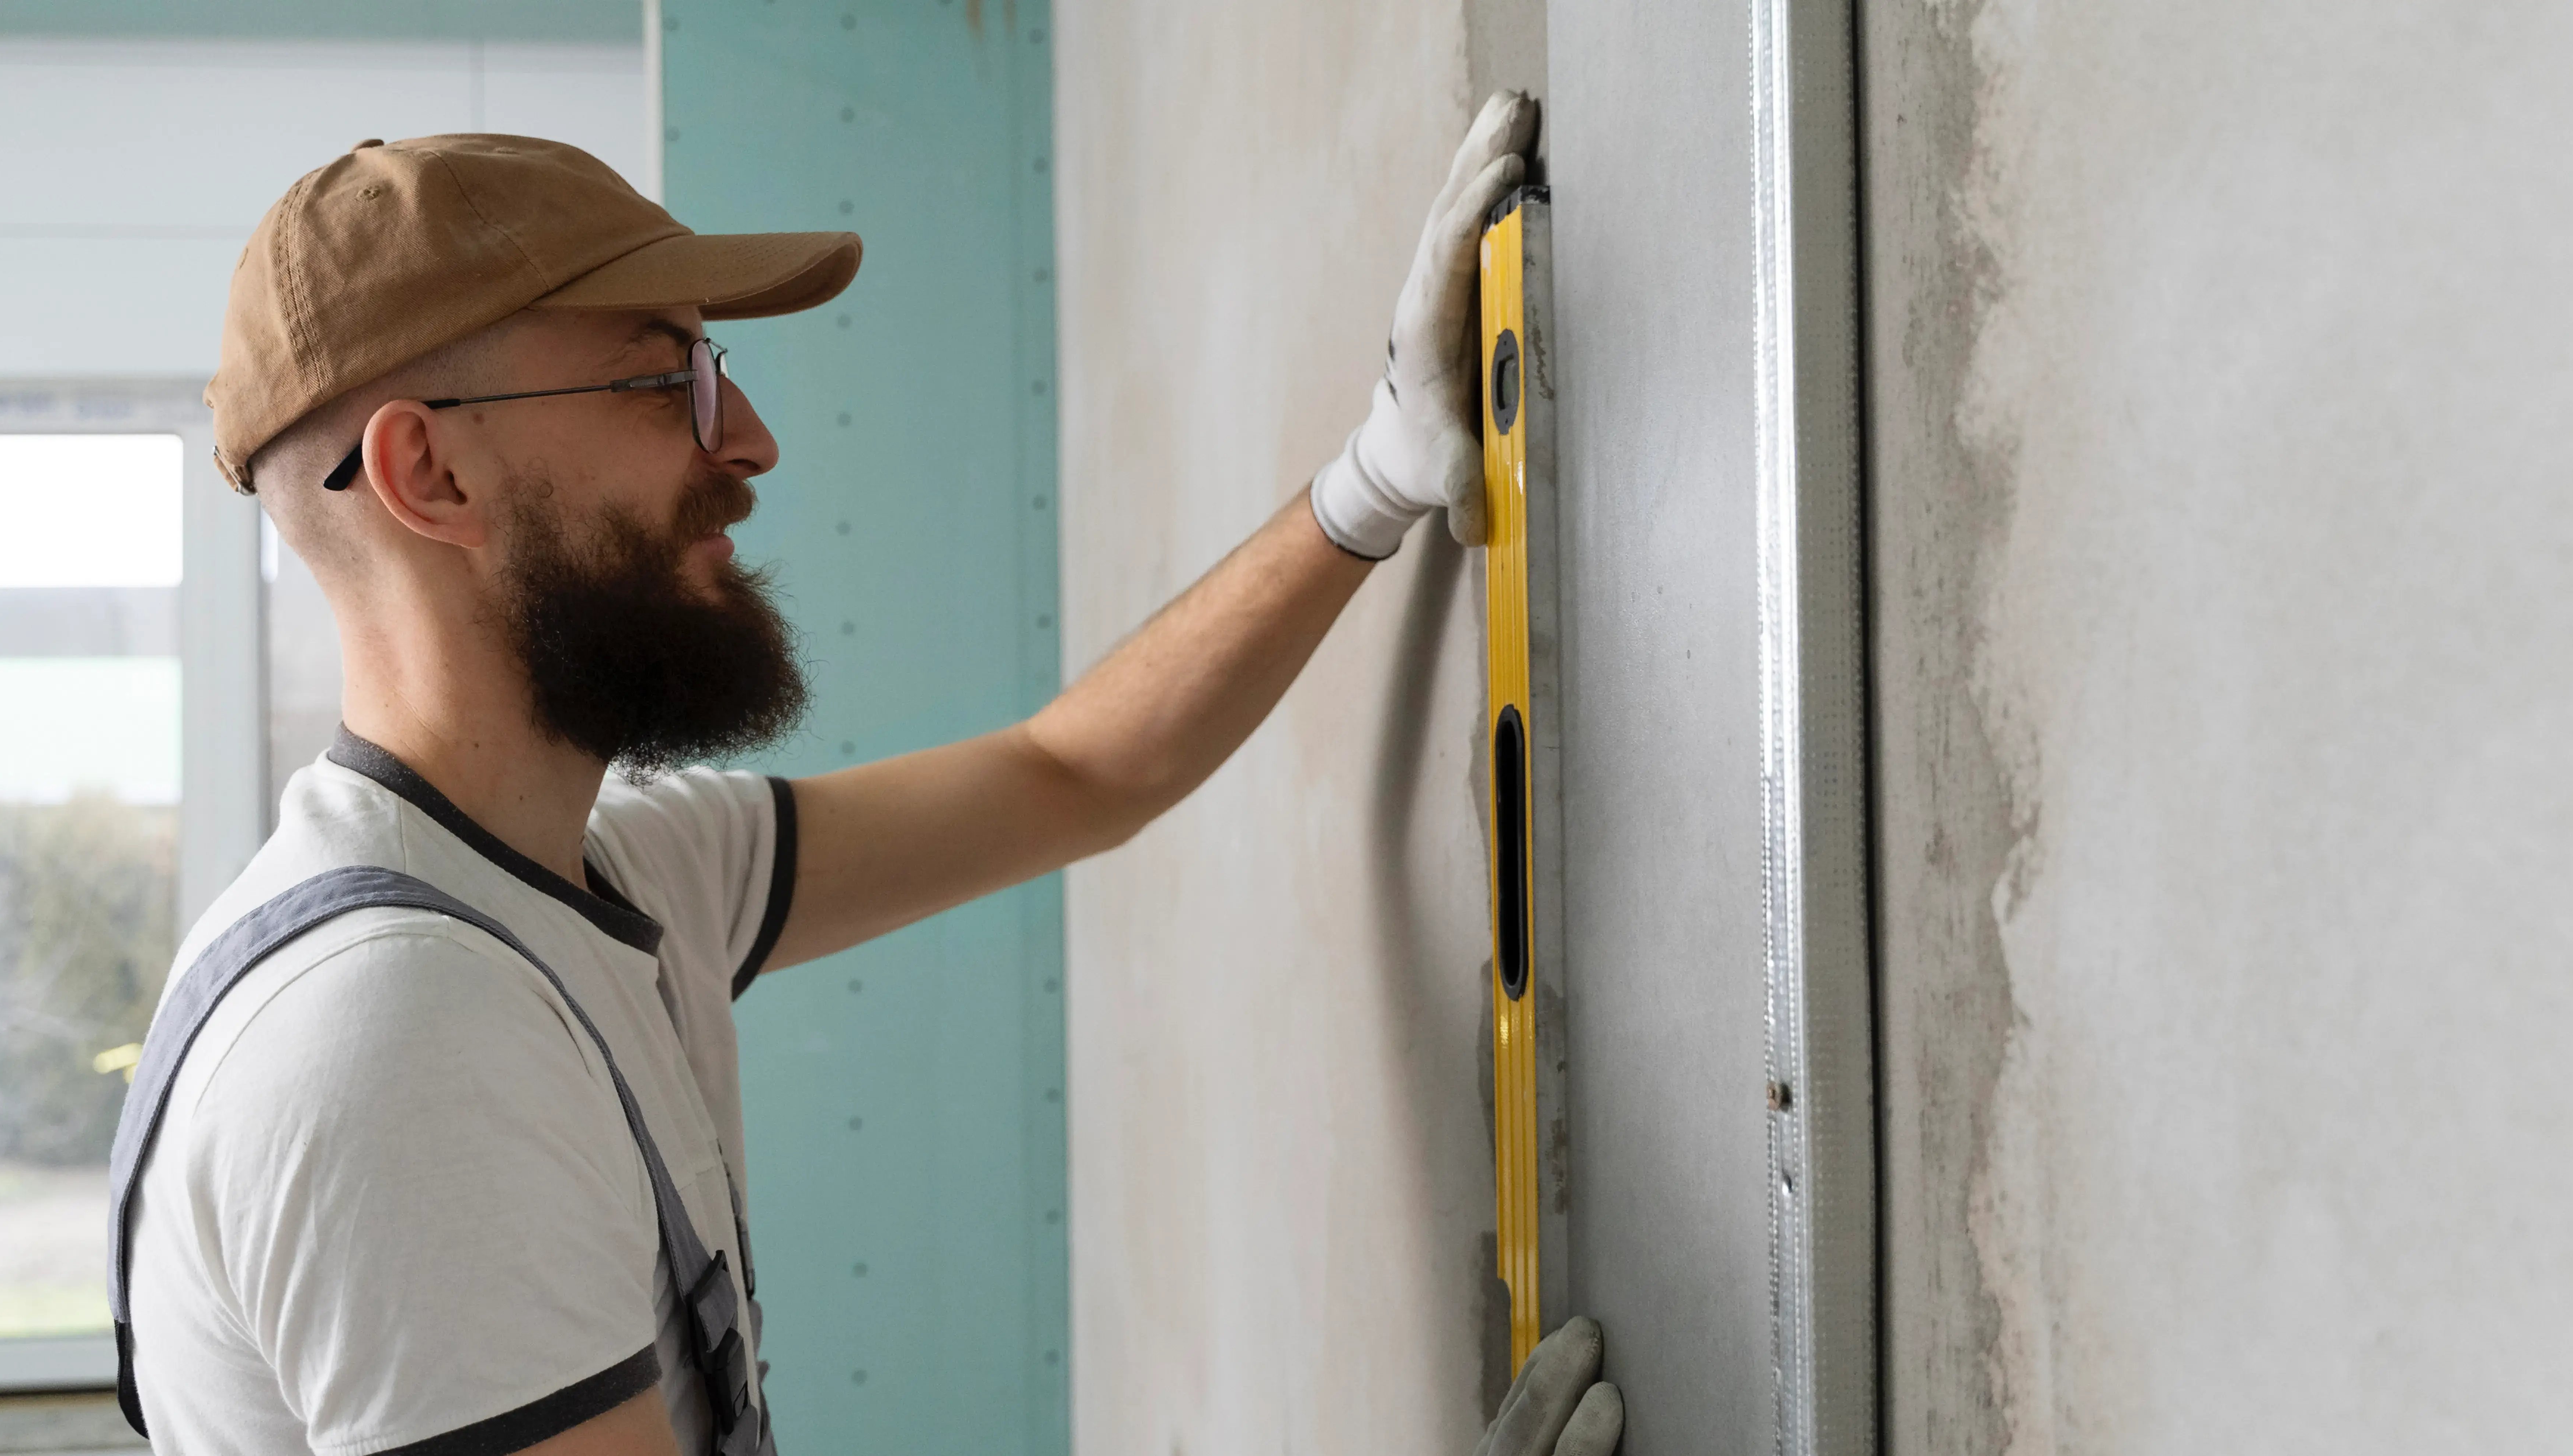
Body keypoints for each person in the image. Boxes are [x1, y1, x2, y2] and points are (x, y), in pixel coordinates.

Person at [113, 93, 1620, 1456]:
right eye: (667, 385)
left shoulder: (610, 873)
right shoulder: (400, 1036)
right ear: (428, 474)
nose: (752, 441)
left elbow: (1074, 769)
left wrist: (1377, 469)